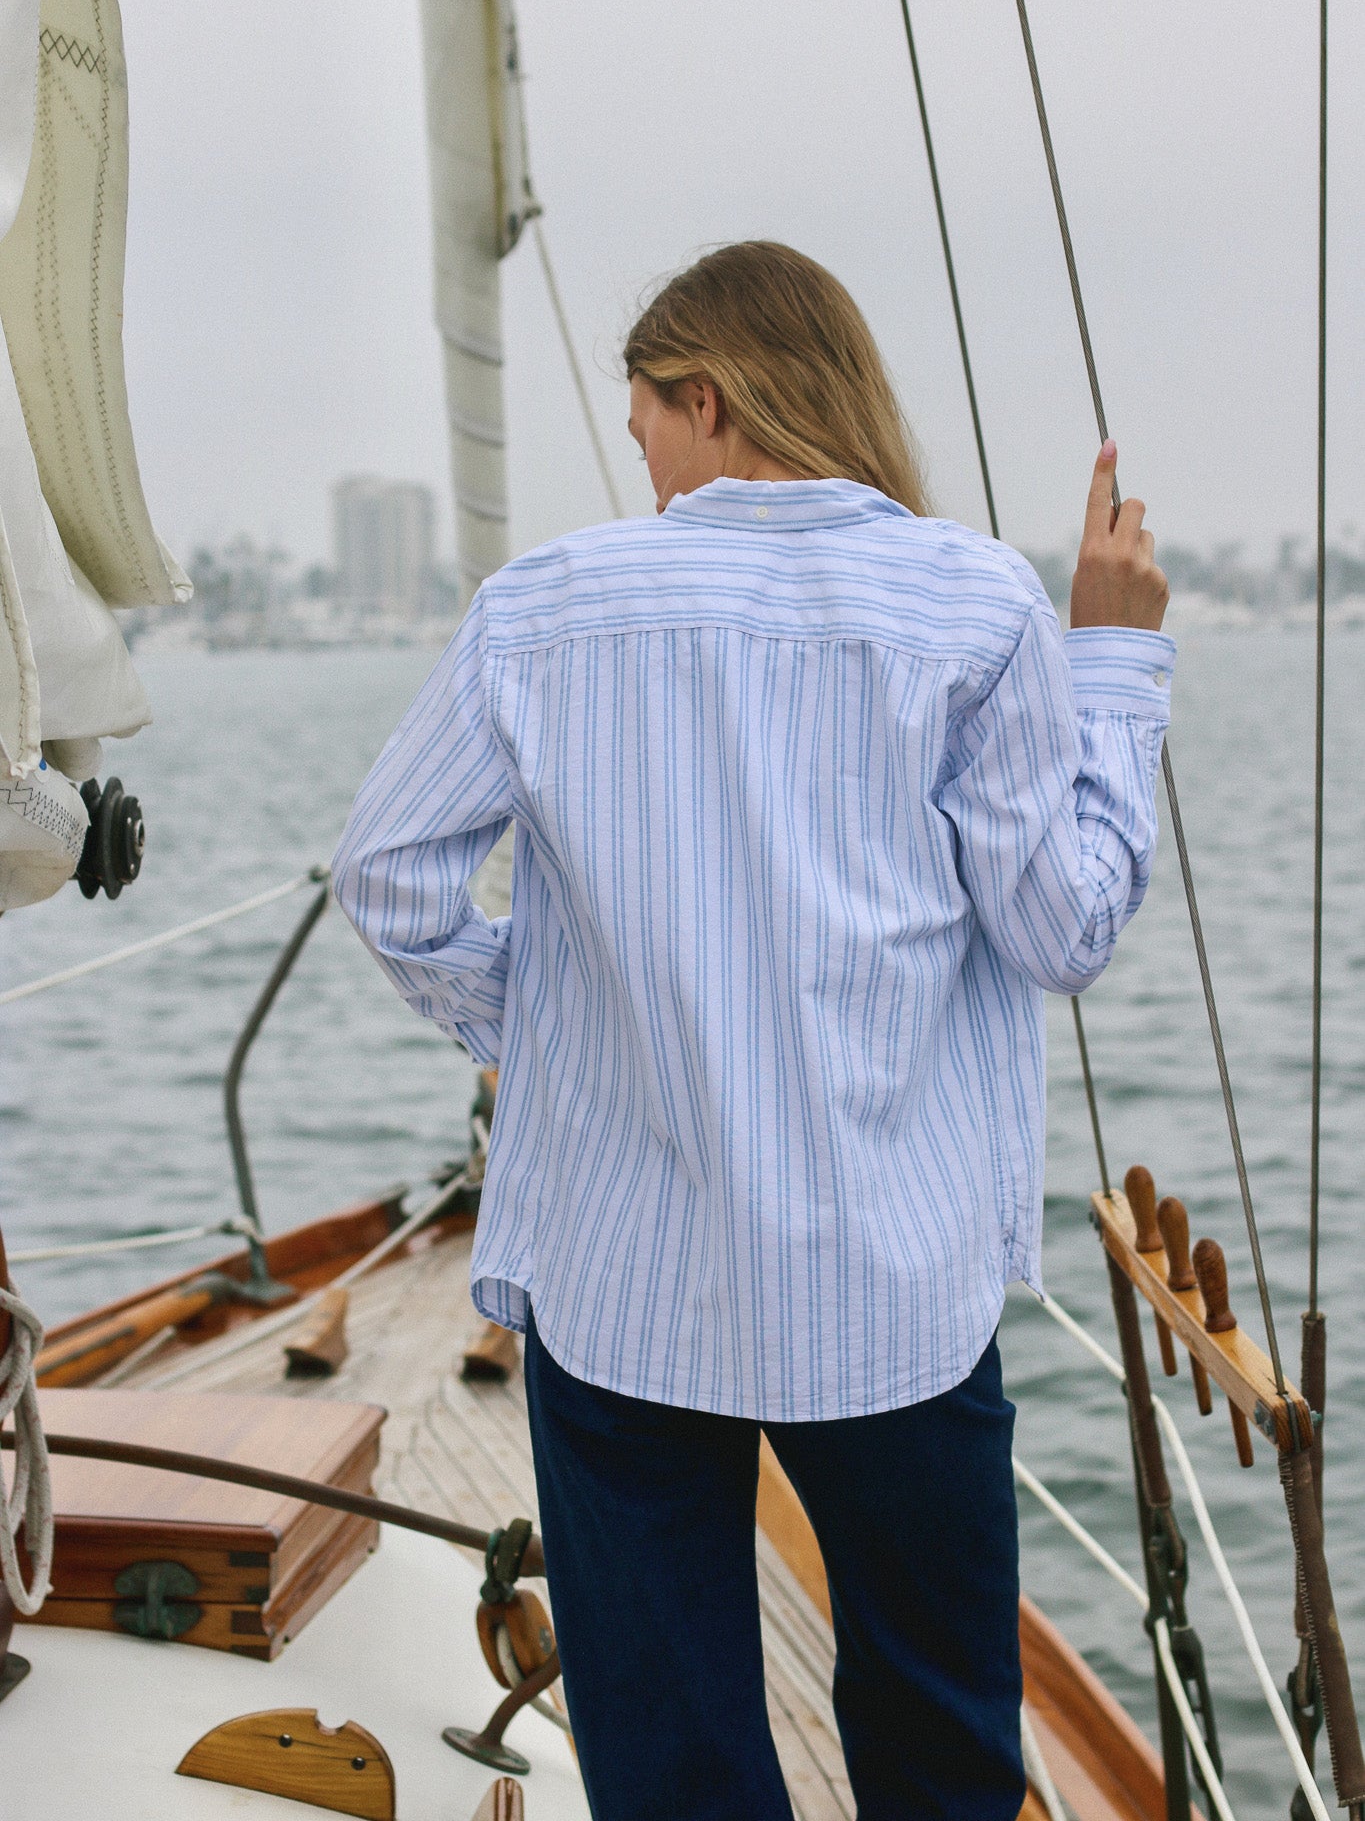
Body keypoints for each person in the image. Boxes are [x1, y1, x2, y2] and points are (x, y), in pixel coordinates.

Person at [333, 241, 1172, 1819]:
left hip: (620, 1291)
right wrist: (1114, 662)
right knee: (941, 1749)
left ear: (707, 397)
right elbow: (1060, 933)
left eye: (646, 423)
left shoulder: (543, 609)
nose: (644, 467)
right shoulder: (976, 605)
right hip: (895, 1289)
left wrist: (563, 1042)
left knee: (671, 1770)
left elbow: (389, 880)